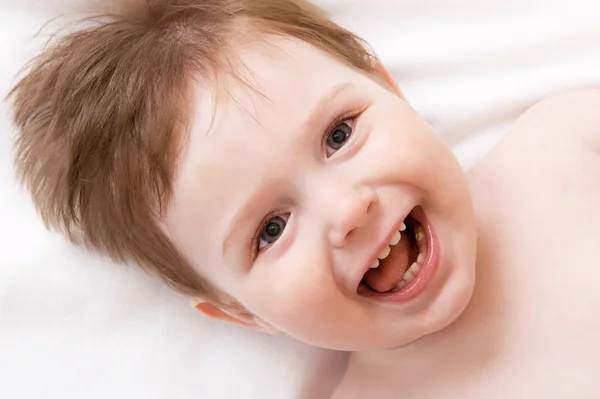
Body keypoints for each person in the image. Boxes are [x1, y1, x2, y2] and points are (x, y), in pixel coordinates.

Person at [8, 0, 600, 397]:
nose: (347, 212)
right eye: (270, 229)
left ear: (388, 88)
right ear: (245, 313)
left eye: (339, 135)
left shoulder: (562, 142)